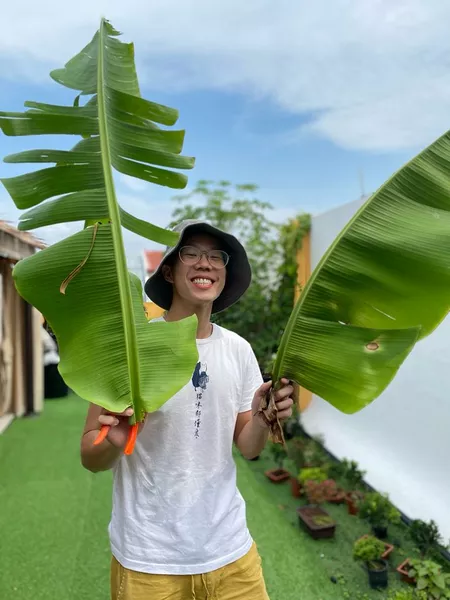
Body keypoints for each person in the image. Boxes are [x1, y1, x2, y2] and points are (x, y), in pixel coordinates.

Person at [80, 220, 294, 600]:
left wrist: (263, 418)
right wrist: (113, 441)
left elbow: (249, 447)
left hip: (230, 551)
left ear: (225, 273)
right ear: (169, 269)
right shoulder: (132, 349)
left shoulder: (239, 350)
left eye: (216, 256)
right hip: (149, 559)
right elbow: (91, 458)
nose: (205, 264)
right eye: (191, 253)